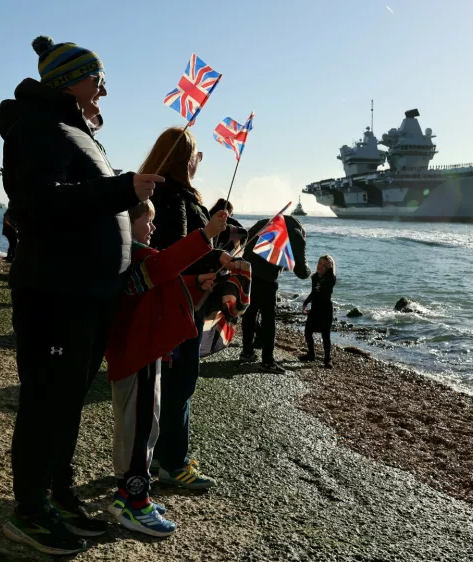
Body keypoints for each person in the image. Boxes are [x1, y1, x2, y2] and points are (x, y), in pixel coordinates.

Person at [0, 35, 162, 556]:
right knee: (46, 400)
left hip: (89, 294)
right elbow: (40, 202)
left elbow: (83, 199)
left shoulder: (74, 130)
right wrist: (122, 191)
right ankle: (28, 510)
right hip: (56, 293)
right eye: (99, 81)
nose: (105, 92)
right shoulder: (34, 125)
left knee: (67, 402)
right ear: (70, 81)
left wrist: (129, 210)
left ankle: (58, 493)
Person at [104, 199, 226, 537]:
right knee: (141, 429)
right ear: (130, 223)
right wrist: (206, 235)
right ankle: (136, 502)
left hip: (140, 352)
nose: (154, 228)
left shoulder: (133, 257)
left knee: (138, 426)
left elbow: (161, 284)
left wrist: (194, 282)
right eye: (149, 221)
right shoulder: (135, 255)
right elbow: (164, 267)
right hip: (139, 354)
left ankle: (125, 493)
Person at [141, 127, 231, 490]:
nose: (199, 162)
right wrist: (207, 254)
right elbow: (175, 250)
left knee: (171, 383)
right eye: (196, 155)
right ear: (184, 159)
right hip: (181, 303)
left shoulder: (160, 191)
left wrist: (215, 252)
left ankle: (163, 455)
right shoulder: (174, 196)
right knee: (181, 382)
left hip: (177, 299)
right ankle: (173, 464)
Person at [241, 215, 312, 372]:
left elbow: (246, 242)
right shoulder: (295, 233)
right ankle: (267, 361)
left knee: (250, 312)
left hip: (248, 272)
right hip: (266, 278)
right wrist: (311, 272)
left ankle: (247, 352)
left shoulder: (266, 222)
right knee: (268, 319)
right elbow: (302, 272)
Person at [299, 255, 337, 368]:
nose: (320, 266)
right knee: (308, 332)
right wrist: (305, 303)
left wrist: (330, 268)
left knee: (326, 336)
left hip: (326, 310)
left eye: (324, 265)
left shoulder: (331, 278)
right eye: (319, 263)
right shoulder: (315, 277)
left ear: (329, 267)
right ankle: (311, 354)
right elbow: (313, 293)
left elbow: (330, 280)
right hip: (315, 309)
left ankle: (327, 359)